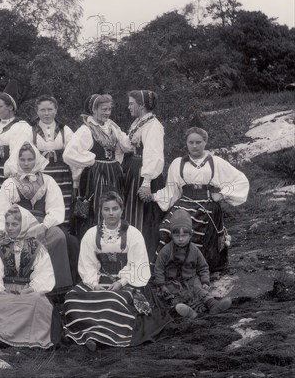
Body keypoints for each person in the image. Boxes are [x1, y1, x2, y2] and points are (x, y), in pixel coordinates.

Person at [63, 192, 172, 350]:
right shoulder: (91, 234)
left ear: (122, 210)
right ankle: (89, 334)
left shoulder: (133, 234)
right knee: (72, 299)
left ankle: (102, 336)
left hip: (127, 281)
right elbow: (87, 264)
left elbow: (138, 263)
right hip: (99, 280)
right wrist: (94, 284)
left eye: (115, 208)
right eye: (106, 209)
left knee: (112, 301)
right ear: (101, 211)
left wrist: (121, 282)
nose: (111, 213)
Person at [153, 127, 249, 272]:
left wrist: (221, 194)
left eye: (198, 142)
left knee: (195, 235)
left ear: (205, 142)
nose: (194, 146)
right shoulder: (178, 163)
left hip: (207, 205)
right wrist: (152, 196)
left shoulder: (215, 162)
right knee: (166, 229)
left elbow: (240, 180)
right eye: (191, 142)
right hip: (184, 203)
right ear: (186, 143)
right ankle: (169, 271)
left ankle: (197, 271)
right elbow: (171, 191)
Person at [0, 205, 60, 349]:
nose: (10, 228)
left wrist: (31, 289)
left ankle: (8, 337)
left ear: (24, 225)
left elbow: (44, 273)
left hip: (28, 292)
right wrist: (1, 290)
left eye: (14, 224)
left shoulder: (37, 247)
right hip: (4, 290)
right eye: (7, 224)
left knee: (35, 302)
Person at [0, 141, 73, 293]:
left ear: (36, 160)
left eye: (30, 159)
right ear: (17, 160)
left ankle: (55, 288)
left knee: (59, 236)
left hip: (42, 225)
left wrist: (44, 226)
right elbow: (1, 210)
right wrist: (2, 232)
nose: (26, 163)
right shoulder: (10, 183)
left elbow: (56, 208)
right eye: (23, 159)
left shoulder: (47, 180)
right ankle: (22, 284)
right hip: (17, 225)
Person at [63, 94, 132, 241]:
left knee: (114, 206)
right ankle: (94, 243)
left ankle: (113, 242)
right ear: (94, 110)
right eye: (103, 109)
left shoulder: (111, 126)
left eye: (109, 109)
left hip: (114, 175)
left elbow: (125, 146)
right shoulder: (86, 129)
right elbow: (68, 154)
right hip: (95, 176)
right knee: (96, 208)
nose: (107, 112)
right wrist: (91, 160)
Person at [154, 209, 232, 318]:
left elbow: (203, 267)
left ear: (190, 235)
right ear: (171, 235)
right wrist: (162, 285)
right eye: (177, 236)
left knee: (199, 289)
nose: (181, 239)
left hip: (190, 279)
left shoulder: (194, 250)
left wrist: (205, 281)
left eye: (184, 235)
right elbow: (159, 269)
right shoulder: (166, 251)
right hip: (172, 281)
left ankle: (214, 305)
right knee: (173, 295)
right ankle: (189, 312)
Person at [122, 90, 165, 262]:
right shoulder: (138, 123)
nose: (129, 106)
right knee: (132, 215)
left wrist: (146, 182)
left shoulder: (153, 126)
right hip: (132, 173)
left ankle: (148, 262)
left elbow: (153, 155)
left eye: (132, 103)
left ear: (142, 105)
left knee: (146, 218)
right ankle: (131, 258)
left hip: (144, 176)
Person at [23, 95, 76, 230]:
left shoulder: (65, 130)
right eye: (42, 110)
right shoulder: (30, 130)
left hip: (62, 174)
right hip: (40, 174)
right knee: (43, 203)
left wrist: (75, 179)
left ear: (56, 110)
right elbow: (24, 154)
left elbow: (73, 156)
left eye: (50, 109)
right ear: (37, 111)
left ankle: (63, 234)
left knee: (63, 203)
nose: (46, 113)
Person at [0, 80, 31, 199]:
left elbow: (17, 154)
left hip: (9, 172)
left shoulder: (20, 126)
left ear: (10, 107)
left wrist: (11, 175)